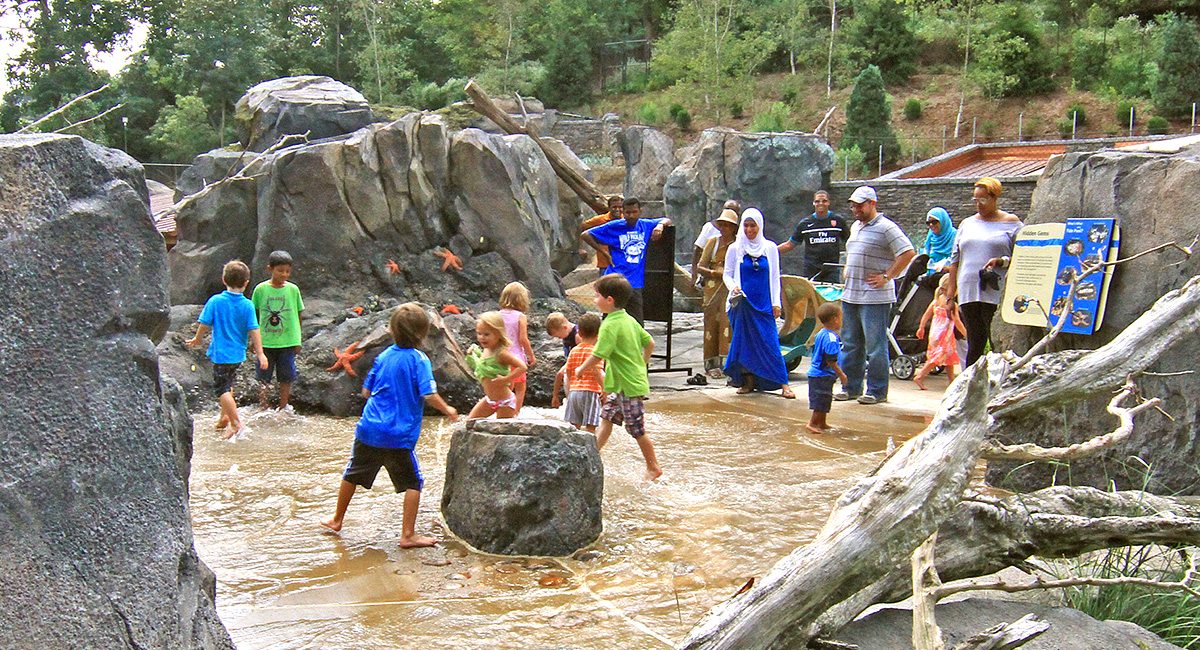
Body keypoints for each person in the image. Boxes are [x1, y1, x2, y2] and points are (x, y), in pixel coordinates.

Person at [319, 304, 459, 546]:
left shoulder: (383, 356)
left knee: (353, 473)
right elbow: (428, 394)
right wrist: (447, 409)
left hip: (369, 429)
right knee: (413, 483)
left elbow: (365, 392)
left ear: (392, 330)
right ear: (422, 334)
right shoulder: (419, 360)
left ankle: (336, 519)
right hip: (398, 435)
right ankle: (408, 535)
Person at [835, 186, 915, 405]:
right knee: (850, 343)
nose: (855, 209)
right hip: (851, 293)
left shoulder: (887, 227)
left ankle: (877, 390)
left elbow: (908, 252)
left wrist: (888, 276)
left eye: (860, 205)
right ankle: (851, 386)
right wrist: (847, 268)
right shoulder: (855, 227)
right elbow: (854, 250)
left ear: (872, 204)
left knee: (875, 345)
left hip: (875, 296)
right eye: (853, 205)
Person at [577, 274, 663, 481]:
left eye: (597, 296)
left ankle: (653, 466)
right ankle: (593, 456)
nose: (595, 300)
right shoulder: (629, 319)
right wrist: (643, 363)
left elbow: (599, 354)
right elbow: (649, 342)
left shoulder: (609, 325)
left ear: (609, 300)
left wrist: (581, 369)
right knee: (607, 417)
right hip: (624, 383)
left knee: (636, 428)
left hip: (628, 385)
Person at [945, 177, 1022, 368]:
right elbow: (955, 261)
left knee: (996, 341)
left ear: (994, 198)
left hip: (996, 290)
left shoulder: (1011, 223)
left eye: (983, 199)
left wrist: (1002, 261)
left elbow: (1024, 256)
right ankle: (970, 383)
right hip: (969, 290)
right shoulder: (967, 224)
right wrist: (949, 297)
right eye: (975, 200)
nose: (978, 204)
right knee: (974, 341)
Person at [186, 260, 269, 439]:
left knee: (221, 389)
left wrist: (197, 339)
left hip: (221, 353)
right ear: (246, 283)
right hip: (237, 354)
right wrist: (261, 353)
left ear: (224, 280)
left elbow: (204, 323)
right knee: (228, 384)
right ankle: (224, 416)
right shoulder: (247, 305)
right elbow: (254, 329)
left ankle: (236, 423)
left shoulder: (215, 301)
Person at [722, 208, 796, 399]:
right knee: (744, 343)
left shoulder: (769, 248)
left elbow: (774, 277)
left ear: (759, 226)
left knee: (770, 341)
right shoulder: (735, 248)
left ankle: (783, 383)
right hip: (742, 305)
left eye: (752, 225)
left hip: (763, 305)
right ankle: (748, 381)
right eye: (746, 225)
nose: (749, 229)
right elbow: (727, 274)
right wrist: (733, 288)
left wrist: (776, 302)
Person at [580, 196, 671, 324]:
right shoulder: (615, 226)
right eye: (628, 212)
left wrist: (660, 226)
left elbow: (666, 219)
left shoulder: (645, 225)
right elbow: (586, 235)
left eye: (634, 212)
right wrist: (603, 253)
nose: (631, 215)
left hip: (634, 282)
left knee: (637, 322)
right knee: (610, 321)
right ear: (623, 212)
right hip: (615, 280)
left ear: (640, 212)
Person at [251, 250, 304, 411]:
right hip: (265, 342)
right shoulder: (260, 290)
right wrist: (254, 341)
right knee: (263, 376)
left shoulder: (293, 290)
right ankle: (263, 405)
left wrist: (298, 340)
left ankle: (283, 406)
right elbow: (255, 315)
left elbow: (299, 313)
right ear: (270, 269)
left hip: (287, 342)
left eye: (287, 271)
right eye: (280, 271)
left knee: (286, 376)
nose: (284, 274)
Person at [695, 209, 740, 377]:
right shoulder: (713, 243)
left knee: (728, 323)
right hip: (713, 289)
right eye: (721, 225)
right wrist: (715, 273)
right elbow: (701, 266)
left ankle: (727, 362)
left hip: (730, 288)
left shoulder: (737, 245)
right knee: (711, 324)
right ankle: (711, 363)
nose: (724, 228)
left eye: (727, 225)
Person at [465, 312, 528, 420]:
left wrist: (506, 379)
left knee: (501, 431)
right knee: (469, 422)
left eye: (486, 334)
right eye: (479, 334)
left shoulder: (502, 353)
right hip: (489, 399)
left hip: (505, 402)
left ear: (498, 334)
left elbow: (522, 367)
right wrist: (471, 356)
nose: (482, 338)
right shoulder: (486, 350)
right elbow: (480, 367)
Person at [777, 190, 850, 282]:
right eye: (817, 201)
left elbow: (850, 243)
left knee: (831, 295)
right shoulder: (805, 224)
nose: (821, 204)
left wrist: (849, 263)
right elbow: (789, 245)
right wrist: (769, 252)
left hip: (832, 269)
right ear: (813, 203)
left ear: (829, 202)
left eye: (824, 201)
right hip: (811, 269)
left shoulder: (838, 221)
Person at [913, 274, 967, 390]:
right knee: (938, 356)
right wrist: (966, 333)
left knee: (948, 356)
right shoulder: (951, 305)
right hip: (945, 334)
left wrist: (921, 327)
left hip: (935, 332)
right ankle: (920, 375)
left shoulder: (936, 301)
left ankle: (952, 380)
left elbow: (926, 315)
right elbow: (957, 321)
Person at [806, 303, 848, 434]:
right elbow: (831, 360)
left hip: (820, 374)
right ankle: (812, 423)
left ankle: (822, 422)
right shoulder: (831, 338)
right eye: (841, 318)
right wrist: (841, 374)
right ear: (835, 319)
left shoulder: (821, 333)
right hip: (822, 374)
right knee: (821, 400)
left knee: (825, 399)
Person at [563, 313, 605, 433]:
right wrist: (604, 388)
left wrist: (572, 388)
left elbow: (569, 371)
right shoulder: (596, 352)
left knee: (574, 427)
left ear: (579, 333)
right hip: (590, 392)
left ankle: (575, 449)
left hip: (574, 392)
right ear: (599, 333)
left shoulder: (574, 351)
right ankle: (589, 450)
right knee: (590, 427)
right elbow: (596, 371)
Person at [498, 282, 535, 413]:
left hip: (501, 357)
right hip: (516, 358)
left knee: (506, 386)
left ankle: (503, 410)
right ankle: (515, 413)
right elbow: (523, 339)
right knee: (520, 387)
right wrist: (531, 355)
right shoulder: (520, 316)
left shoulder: (498, 315)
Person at [691, 199, 742, 287]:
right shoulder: (711, 232)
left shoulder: (740, 237)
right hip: (711, 281)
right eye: (721, 225)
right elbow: (698, 249)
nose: (723, 228)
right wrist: (695, 273)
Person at [580, 195, 624, 271]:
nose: (617, 209)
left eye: (620, 207)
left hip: (623, 262)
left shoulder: (626, 220)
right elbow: (582, 227)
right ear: (609, 208)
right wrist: (580, 248)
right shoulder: (600, 220)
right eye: (614, 207)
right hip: (605, 263)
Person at [545, 312, 579, 408]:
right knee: (561, 374)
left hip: (579, 367)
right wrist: (555, 395)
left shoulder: (577, 335)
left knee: (562, 374)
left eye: (558, 336)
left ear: (564, 327)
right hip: (571, 365)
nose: (559, 338)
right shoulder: (566, 333)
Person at [920, 207, 957, 273]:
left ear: (943, 221)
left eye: (934, 222)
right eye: (928, 223)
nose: (931, 225)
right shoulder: (931, 236)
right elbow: (926, 253)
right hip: (930, 276)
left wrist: (948, 268)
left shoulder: (954, 236)